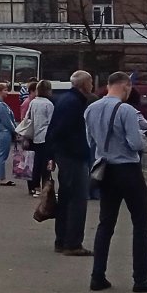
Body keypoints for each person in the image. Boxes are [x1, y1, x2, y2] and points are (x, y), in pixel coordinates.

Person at [86, 72, 147, 293]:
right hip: (128, 170)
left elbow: (90, 141)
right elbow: (135, 144)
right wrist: (142, 136)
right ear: (126, 86)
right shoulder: (127, 110)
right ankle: (141, 278)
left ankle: (97, 276)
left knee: (105, 224)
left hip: (105, 170)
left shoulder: (90, 109)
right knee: (140, 223)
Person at [50, 70, 96, 256]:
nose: (92, 85)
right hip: (73, 156)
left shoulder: (66, 99)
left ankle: (61, 240)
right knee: (78, 200)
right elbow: (63, 130)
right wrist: (77, 150)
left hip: (65, 155)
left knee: (66, 199)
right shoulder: (74, 103)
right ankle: (73, 243)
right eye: (91, 81)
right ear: (83, 84)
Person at [23, 80, 55, 197]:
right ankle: (45, 187)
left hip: (35, 135)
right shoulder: (48, 104)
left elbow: (28, 117)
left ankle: (35, 187)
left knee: (35, 163)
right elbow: (52, 122)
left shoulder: (33, 102)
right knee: (45, 164)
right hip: (46, 137)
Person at [0, 83, 17, 186]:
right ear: (0, 92)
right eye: (5, 90)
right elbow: (7, 120)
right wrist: (15, 130)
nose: (7, 92)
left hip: (3, 131)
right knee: (2, 155)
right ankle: (2, 178)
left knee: (1, 154)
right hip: (4, 132)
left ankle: (2, 177)